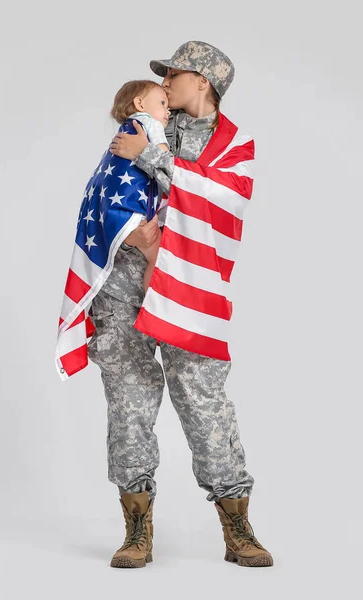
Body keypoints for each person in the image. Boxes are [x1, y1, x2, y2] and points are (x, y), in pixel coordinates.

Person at [88, 40, 274, 569]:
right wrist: (139, 239)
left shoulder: (234, 146)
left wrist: (153, 158)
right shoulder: (146, 120)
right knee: (127, 405)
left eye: (175, 74)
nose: (165, 81)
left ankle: (237, 527)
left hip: (188, 290)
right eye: (164, 75)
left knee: (205, 404)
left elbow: (223, 201)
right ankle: (137, 527)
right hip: (125, 286)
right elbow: (109, 189)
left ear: (205, 82)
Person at [110, 79, 170, 292]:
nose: (167, 111)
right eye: (163, 103)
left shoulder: (126, 128)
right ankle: (152, 309)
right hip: (136, 208)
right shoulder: (150, 123)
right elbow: (163, 157)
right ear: (140, 104)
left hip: (119, 208)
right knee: (158, 258)